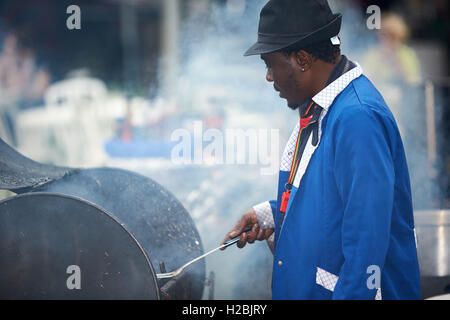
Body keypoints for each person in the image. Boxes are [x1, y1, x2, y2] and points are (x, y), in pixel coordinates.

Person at [221, 0, 421, 300]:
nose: (269, 77)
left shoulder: (358, 119)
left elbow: (366, 242)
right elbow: (333, 202)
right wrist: (273, 214)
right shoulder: (322, 107)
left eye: (270, 63)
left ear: (301, 59)